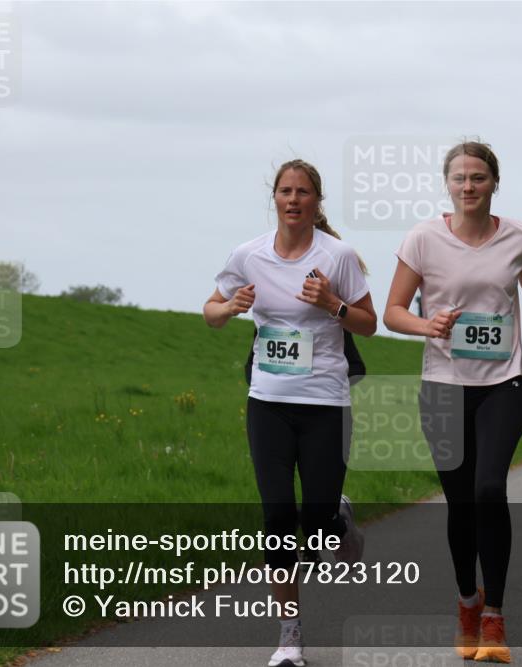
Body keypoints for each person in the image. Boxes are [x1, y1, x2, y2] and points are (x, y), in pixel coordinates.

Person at [384, 141, 522, 664]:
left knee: (487, 488)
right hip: (443, 383)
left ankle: (495, 619)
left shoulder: (518, 237)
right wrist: (424, 324)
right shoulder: (423, 239)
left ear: (493, 183)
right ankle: (467, 601)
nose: (468, 186)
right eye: (459, 178)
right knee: (460, 502)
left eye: (478, 177)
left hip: (505, 382)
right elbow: (393, 311)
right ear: (447, 184)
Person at [204, 159, 377, 667]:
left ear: (317, 201)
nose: (294, 199)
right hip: (268, 402)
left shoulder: (338, 256)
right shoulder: (249, 254)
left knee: (317, 527)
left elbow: (367, 324)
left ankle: (337, 522)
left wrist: (332, 304)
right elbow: (210, 312)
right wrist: (231, 307)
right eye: (286, 191)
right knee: (278, 515)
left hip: (325, 402)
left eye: (303, 192)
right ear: (274, 198)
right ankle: (289, 637)